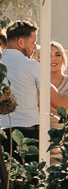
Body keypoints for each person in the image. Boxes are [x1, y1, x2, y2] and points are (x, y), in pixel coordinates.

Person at [1, 22, 40, 158]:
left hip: (2, 137)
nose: (35, 47)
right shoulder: (31, 66)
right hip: (28, 136)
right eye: (33, 42)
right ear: (21, 42)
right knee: (32, 178)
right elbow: (54, 99)